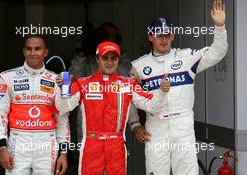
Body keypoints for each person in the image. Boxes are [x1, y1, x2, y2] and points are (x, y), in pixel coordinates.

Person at [129, 0, 228, 174]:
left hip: (183, 125)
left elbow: (217, 52)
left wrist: (219, 27)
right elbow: (128, 96)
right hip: (156, 127)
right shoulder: (138, 66)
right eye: (159, 35)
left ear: (173, 36)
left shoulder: (186, 58)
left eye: (168, 35)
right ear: (150, 37)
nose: (164, 39)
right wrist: (135, 123)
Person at [56, 41, 170, 175]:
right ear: (97, 59)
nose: (109, 62)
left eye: (113, 58)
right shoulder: (83, 84)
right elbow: (63, 108)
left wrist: (162, 92)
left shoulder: (128, 84)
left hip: (116, 145)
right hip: (92, 145)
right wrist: (62, 90)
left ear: (118, 59)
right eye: (105, 58)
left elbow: (152, 106)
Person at [0, 35, 70, 175]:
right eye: (29, 49)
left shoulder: (56, 80)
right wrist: (2, 148)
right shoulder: (8, 78)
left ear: (45, 52)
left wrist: (63, 153)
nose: (33, 53)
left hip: (47, 145)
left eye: (37, 49)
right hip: (18, 143)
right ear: (24, 51)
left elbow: (62, 118)